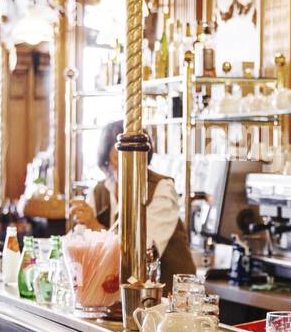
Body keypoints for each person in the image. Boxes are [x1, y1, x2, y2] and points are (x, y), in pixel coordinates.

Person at [67, 120, 197, 287]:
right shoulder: (99, 191)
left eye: (120, 160)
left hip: (167, 297)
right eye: (110, 163)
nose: (115, 170)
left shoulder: (160, 189)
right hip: (114, 296)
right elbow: (82, 245)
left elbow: (144, 253)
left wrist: (94, 225)